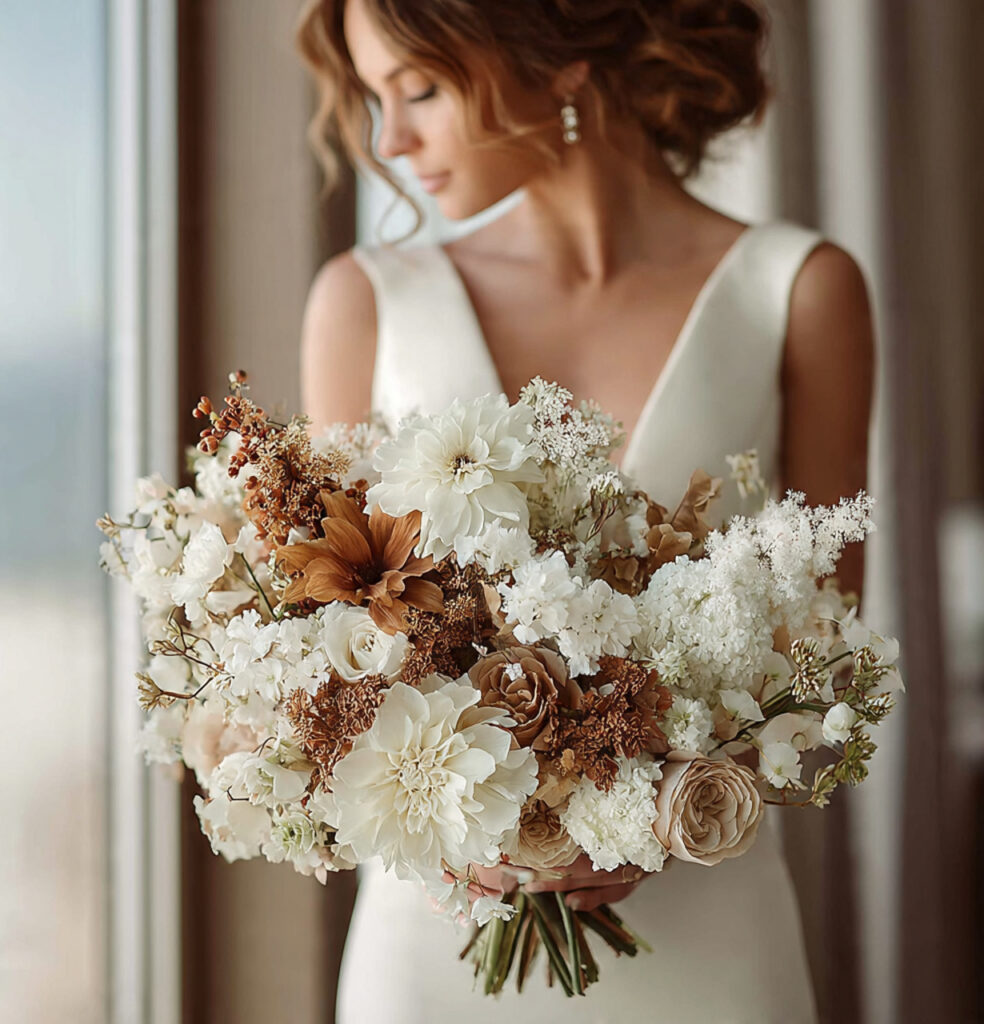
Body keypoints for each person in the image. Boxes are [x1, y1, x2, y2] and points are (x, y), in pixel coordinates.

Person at [295, 0, 874, 1020]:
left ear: (552, 60)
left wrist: (649, 812)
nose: (391, 143)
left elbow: (828, 668)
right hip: (438, 946)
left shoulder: (797, 291)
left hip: (710, 931)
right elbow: (322, 649)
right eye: (373, 99)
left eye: (420, 90)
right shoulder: (366, 303)